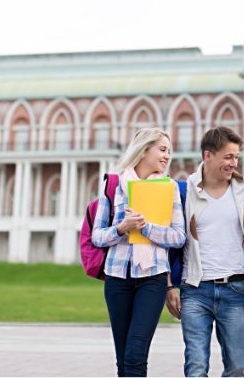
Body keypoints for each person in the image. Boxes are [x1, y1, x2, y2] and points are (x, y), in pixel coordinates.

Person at [165, 126, 244, 377]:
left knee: (238, 366)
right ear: (208, 156)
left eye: (236, 157)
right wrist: (169, 286)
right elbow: (168, 243)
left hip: (235, 289)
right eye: (228, 157)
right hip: (195, 290)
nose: (233, 163)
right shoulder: (184, 193)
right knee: (196, 365)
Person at [91, 127, 186, 377]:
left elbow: (178, 236)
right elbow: (97, 236)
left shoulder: (169, 188)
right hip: (117, 279)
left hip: (152, 279)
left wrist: (146, 228)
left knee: (135, 353)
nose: (167, 157)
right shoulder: (113, 186)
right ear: (144, 150)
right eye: (162, 150)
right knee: (123, 359)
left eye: (170, 152)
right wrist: (122, 228)